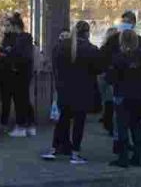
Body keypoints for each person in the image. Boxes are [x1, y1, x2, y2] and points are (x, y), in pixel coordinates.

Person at [41, 21, 99, 164]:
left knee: (63, 120)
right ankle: (75, 153)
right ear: (87, 33)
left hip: (64, 90)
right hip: (83, 90)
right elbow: (98, 69)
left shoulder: (61, 47)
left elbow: (55, 67)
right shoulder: (90, 49)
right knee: (79, 122)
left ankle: (54, 148)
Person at [107, 29, 141, 168]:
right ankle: (137, 157)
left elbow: (111, 77)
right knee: (136, 126)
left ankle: (123, 157)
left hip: (122, 94)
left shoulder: (118, 58)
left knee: (122, 126)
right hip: (139, 95)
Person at [0, 13, 36, 138]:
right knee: (23, 99)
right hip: (20, 72)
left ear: (15, 26)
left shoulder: (22, 38)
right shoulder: (23, 38)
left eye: (9, 25)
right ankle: (28, 125)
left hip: (20, 73)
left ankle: (22, 126)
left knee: (21, 100)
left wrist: (8, 54)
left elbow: (20, 56)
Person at [99, 27, 118, 136]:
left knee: (107, 101)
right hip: (109, 77)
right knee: (110, 101)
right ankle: (110, 124)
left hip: (106, 76)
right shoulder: (115, 48)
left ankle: (108, 122)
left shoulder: (104, 47)